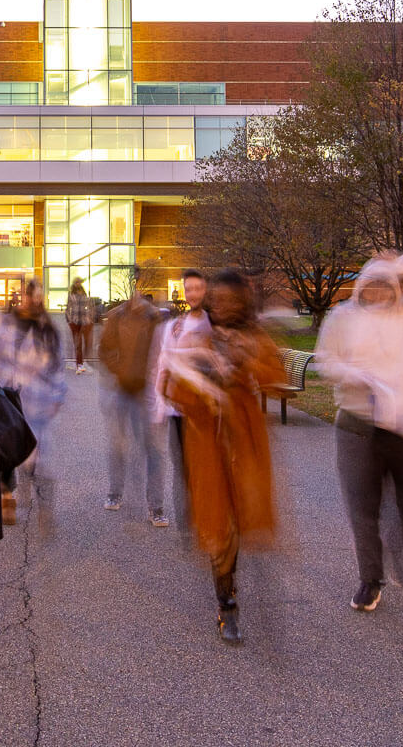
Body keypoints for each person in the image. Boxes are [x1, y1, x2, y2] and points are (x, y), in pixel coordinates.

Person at [314, 250, 403, 643]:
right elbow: (325, 359)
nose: (379, 293)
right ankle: (370, 580)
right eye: (372, 286)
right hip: (357, 428)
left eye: (387, 286)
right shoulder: (344, 317)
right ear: (361, 287)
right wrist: (353, 374)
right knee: (363, 511)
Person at [161, 269, 284, 645]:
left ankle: (231, 588)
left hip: (244, 447)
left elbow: (274, 378)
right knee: (221, 529)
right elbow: (173, 388)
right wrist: (202, 382)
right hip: (210, 448)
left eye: (233, 301)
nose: (226, 307)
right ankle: (226, 603)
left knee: (244, 522)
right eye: (221, 301)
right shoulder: (198, 335)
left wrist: (245, 362)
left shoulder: (253, 338)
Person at [0, 279, 67, 528]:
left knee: (40, 457)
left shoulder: (46, 330)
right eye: (27, 296)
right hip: (4, 399)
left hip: (36, 403)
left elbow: (57, 367)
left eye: (36, 296)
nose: (30, 301)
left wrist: (58, 396)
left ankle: (45, 507)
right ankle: (7, 496)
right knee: (2, 451)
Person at [98, 281, 168, 527]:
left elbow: (165, 351)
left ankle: (156, 506)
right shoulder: (116, 316)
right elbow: (104, 349)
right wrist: (120, 371)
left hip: (148, 391)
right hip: (122, 389)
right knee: (118, 446)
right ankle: (115, 492)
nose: (136, 293)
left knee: (155, 450)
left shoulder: (155, 317)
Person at [154, 269, 212, 535]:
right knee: (184, 467)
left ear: (206, 290)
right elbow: (164, 361)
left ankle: (208, 516)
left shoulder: (213, 325)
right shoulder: (176, 326)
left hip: (206, 408)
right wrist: (159, 405)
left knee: (206, 465)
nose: (193, 294)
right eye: (189, 289)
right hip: (179, 409)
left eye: (198, 288)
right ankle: (188, 524)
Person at [65, 277, 94, 373]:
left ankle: (81, 362)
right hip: (74, 322)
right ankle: (79, 365)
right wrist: (69, 320)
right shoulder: (71, 295)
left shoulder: (84, 294)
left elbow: (90, 306)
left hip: (84, 322)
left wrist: (89, 317)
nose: (78, 283)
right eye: (77, 282)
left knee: (85, 343)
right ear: (74, 284)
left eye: (79, 282)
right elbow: (68, 308)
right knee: (78, 344)